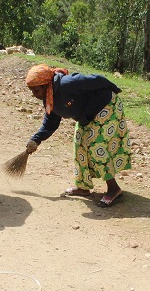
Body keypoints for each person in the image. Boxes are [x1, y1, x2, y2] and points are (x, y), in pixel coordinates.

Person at [23, 64, 131, 207]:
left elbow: (97, 79)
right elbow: (50, 124)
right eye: (32, 91)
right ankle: (83, 187)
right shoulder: (49, 99)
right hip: (87, 117)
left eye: (36, 90)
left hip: (107, 106)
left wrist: (115, 89)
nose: (34, 95)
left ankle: (114, 189)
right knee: (79, 145)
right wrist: (36, 140)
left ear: (46, 85)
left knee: (95, 146)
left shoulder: (68, 84)